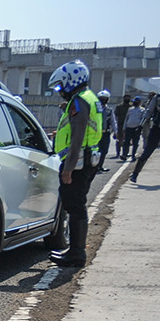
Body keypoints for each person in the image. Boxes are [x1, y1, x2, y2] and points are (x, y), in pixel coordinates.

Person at [47, 59, 101, 268]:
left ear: (71, 80)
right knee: (76, 205)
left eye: (61, 86)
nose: (60, 91)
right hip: (88, 158)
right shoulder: (88, 98)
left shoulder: (79, 101)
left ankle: (77, 254)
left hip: (78, 162)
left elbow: (78, 138)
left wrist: (68, 169)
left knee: (74, 205)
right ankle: (75, 250)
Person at [95, 89, 115, 173]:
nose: (103, 100)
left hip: (105, 133)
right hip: (96, 133)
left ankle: (100, 166)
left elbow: (113, 121)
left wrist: (116, 131)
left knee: (104, 150)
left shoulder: (109, 110)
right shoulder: (95, 109)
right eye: (101, 98)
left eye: (105, 98)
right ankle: (94, 167)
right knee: (96, 150)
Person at [113, 93, 131, 159]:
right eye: (126, 98)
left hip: (128, 125)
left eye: (128, 98)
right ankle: (118, 152)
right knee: (119, 139)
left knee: (127, 139)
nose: (127, 99)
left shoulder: (130, 107)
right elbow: (115, 115)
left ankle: (126, 152)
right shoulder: (119, 106)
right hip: (120, 124)